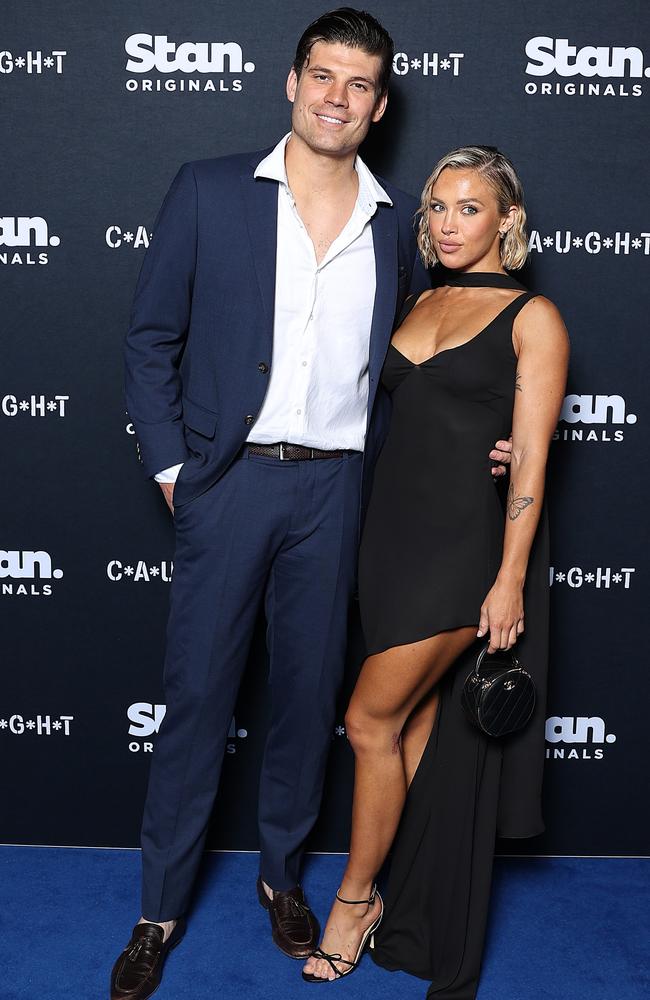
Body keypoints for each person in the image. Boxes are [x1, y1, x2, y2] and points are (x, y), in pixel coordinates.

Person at [110, 7, 513, 997]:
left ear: (379, 106)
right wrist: (175, 472)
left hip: (339, 492)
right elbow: (148, 338)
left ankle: (282, 876)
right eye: (323, 76)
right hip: (230, 481)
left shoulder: (398, 222)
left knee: (302, 705)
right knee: (199, 699)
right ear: (291, 83)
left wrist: (495, 438)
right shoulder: (208, 190)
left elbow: (431, 358)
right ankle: (157, 908)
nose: (338, 98)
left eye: (359, 84)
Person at [302, 145, 569, 997]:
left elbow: (527, 462)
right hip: (387, 542)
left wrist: (509, 579)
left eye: (470, 209)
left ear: (508, 221)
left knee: (368, 722)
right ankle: (413, 898)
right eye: (439, 209)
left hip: (464, 549)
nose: (450, 225)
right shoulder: (417, 298)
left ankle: (353, 902)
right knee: (410, 730)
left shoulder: (534, 318)